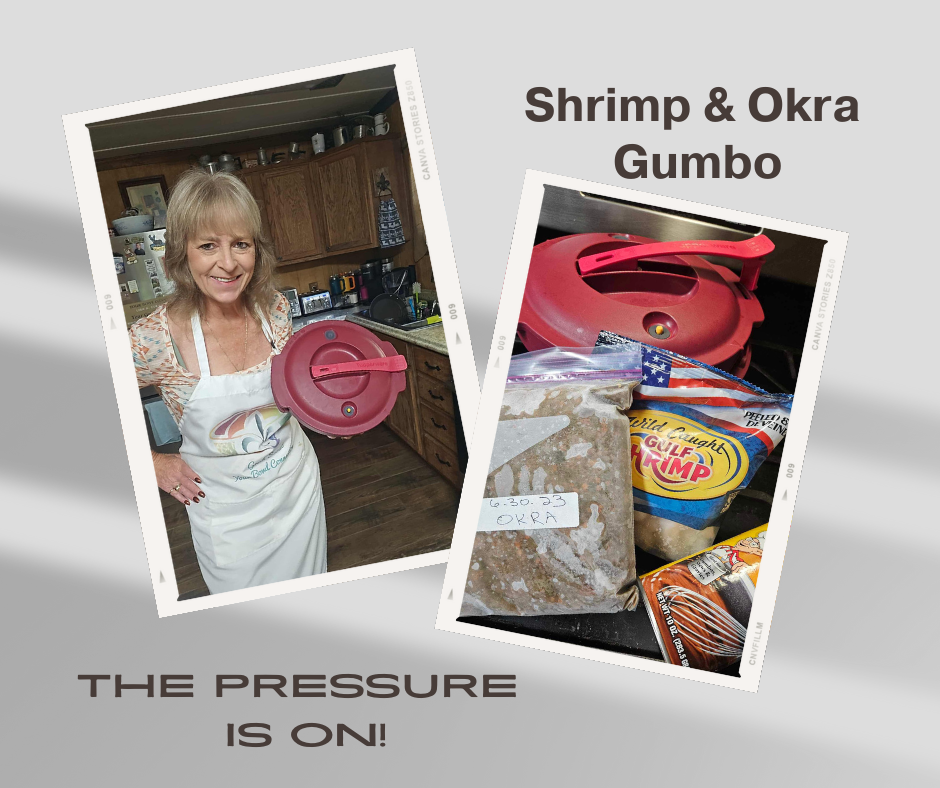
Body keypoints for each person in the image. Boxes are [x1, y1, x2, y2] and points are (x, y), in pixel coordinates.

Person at [128, 169, 327, 593]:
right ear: (182, 254)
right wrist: (149, 462)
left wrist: (332, 414)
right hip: (226, 518)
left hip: (297, 490)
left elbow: (296, 388)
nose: (229, 262)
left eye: (241, 243)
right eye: (207, 246)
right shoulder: (154, 339)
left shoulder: (273, 309)